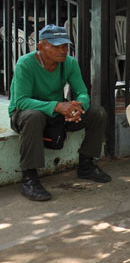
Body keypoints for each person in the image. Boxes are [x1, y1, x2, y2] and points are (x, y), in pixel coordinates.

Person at [8, 24, 110, 201]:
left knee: (97, 113)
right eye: (56, 46)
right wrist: (58, 106)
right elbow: (21, 101)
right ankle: (29, 178)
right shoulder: (25, 63)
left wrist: (78, 107)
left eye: (65, 46)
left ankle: (86, 165)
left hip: (56, 113)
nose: (62, 50)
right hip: (25, 114)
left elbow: (82, 93)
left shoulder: (69, 63)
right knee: (34, 116)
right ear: (41, 46)